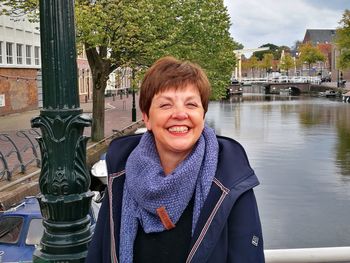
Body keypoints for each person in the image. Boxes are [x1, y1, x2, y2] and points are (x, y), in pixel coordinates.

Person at [86, 56, 264, 263]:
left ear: (203, 116)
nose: (180, 114)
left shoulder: (230, 181)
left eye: (191, 105)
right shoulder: (121, 175)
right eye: (165, 105)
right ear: (147, 118)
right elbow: (100, 252)